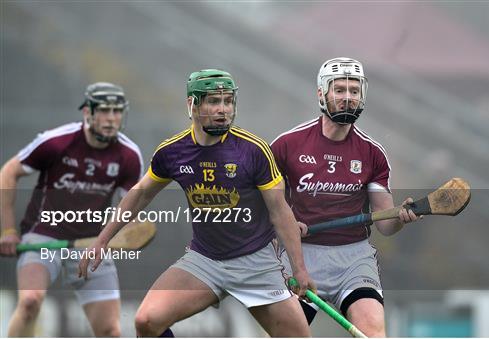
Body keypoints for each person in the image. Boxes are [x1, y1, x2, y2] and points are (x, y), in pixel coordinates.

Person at [78, 69, 315, 337]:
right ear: (192, 104)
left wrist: (300, 270)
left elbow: (280, 212)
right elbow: (141, 194)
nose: (223, 109)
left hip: (256, 264)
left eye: (228, 101)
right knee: (146, 321)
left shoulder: (253, 150)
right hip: (205, 260)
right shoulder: (172, 151)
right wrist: (102, 240)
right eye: (214, 101)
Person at [271, 57, 420, 337]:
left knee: (373, 331)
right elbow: (266, 205)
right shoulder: (286, 146)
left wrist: (401, 218)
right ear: (321, 93)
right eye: (339, 90)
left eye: (354, 91)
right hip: (300, 255)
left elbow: (385, 224)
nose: (347, 97)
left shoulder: (372, 154)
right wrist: (284, 227)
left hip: (354, 257)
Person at [0, 82, 143, 337]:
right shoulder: (56, 142)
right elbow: (8, 173)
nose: (112, 119)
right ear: (87, 112)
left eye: (117, 111)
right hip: (43, 236)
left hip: (92, 244)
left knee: (110, 331)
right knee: (30, 302)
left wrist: (126, 228)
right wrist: (9, 230)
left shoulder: (129, 155)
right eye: (105, 111)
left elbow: (131, 205)